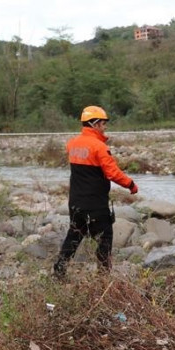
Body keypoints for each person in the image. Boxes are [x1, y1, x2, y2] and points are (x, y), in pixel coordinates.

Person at [53, 106, 138, 277]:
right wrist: (130, 184)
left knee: (74, 236)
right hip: (95, 203)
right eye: (103, 123)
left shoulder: (72, 144)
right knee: (104, 238)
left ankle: (59, 270)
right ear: (95, 124)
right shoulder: (99, 147)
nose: (105, 126)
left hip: (76, 201)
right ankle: (103, 277)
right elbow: (113, 173)